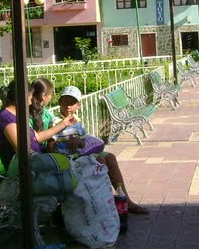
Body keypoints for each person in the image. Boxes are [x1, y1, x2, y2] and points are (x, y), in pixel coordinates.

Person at [52, 86, 148, 214]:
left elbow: (82, 142)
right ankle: (104, 201)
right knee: (100, 159)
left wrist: (79, 142)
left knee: (110, 157)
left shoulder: (77, 121)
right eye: (65, 102)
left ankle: (125, 199)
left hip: (80, 153)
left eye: (72, 102)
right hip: (68, 157)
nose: (68, 106)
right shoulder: (56, 120)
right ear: (59, 102)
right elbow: (51, 143)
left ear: (78, 105)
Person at [0, 77, 78, 192]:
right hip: (26, 171)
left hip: (34, 165)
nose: (33, 99)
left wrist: (63, 124)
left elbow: (36, 137)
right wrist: (48, 158)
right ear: (24, 96)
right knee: (72, 171)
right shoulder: (6, 117)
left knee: (74, 166)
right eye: (31, 95)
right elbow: (22, 151)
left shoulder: (18, 114)